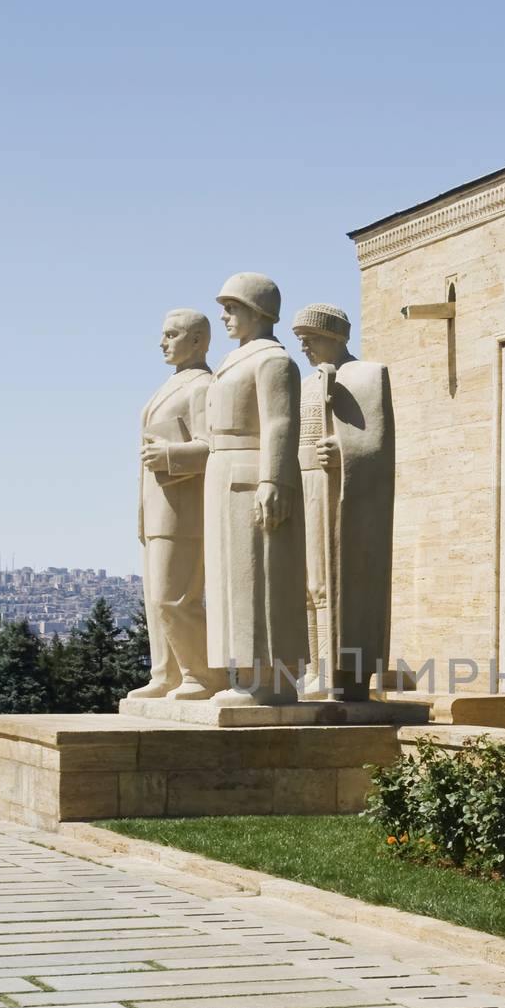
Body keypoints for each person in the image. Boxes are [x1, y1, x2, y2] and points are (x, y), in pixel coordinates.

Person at [204, 273, 307, 705]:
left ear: (258, 311)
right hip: (224, 470)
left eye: (233, 308)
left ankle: (266, 679)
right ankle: (243, 673)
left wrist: (274, 478)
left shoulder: (273, 361)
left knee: (258, 577)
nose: (225, 317)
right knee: (232, 579)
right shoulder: (239, 359)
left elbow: (281, 421)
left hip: (254, 471)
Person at [291, 303, 394, 700]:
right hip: (305, 484)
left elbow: (380, 442)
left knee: (328, 585)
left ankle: (339, 670)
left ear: (333, 336)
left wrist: (342, 450)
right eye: (300, 340)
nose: (304, 347)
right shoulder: (304, 384)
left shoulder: (367, 375)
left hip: (337, 489)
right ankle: (315, 668)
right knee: (307, 585)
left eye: (310, 339)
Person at [129, 309, 214, 699]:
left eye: (171, 334)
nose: (162, 342)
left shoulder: (202, 387)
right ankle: (167, 673)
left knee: (174, 597)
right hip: (159, 507)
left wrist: (168, 457)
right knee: (156, 600)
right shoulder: (170, 385)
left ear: (197, 340)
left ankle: (203, 674)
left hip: (185, 509)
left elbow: (212, 448)